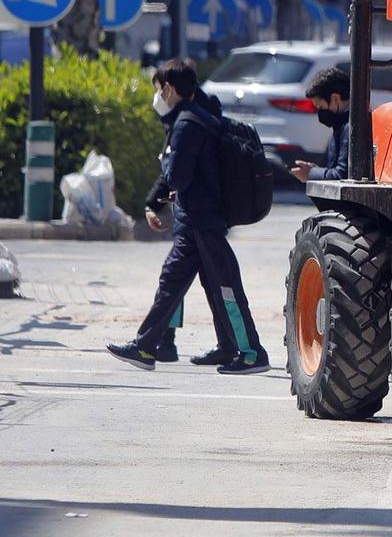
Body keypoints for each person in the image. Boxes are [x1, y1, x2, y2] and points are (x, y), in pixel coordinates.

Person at [107, 59, 271, 374]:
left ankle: (250, 353)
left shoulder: (187, 124)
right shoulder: (196, 119)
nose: (158, 96)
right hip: (199, 220)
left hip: (202, 219)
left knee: (221, 286)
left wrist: (166, 162)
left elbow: (178, 176)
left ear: (168, 88)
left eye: (159, 89)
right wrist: (157, 198)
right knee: (191, 282)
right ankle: (162, 345)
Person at [288, 64, 352, 184]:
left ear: (335, 99)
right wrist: (316, 171)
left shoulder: (350, 128)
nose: (320, 112)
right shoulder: (340, 126)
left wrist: (311, 174)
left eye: (320, 106)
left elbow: (342, 175)